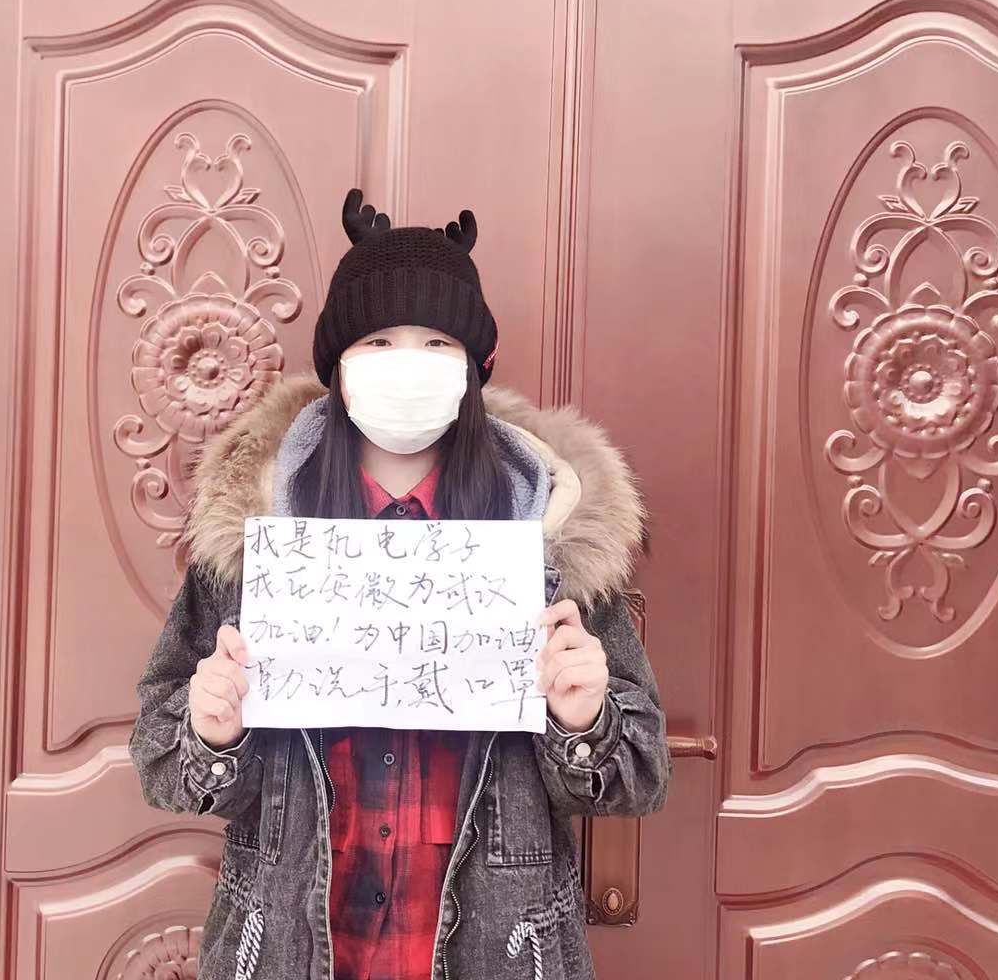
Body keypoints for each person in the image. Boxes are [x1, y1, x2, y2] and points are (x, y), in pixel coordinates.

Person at [129, 187, 671, 980]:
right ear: (339, 369)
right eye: (379, 341)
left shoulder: (550, 536)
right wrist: (211, 732)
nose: (407, 364)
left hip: (501, 958)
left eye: (437, 343)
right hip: (290, 955)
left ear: (474, 368)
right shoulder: (258, 538)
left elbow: (639, 777)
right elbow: (161, 759)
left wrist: (584, 718)